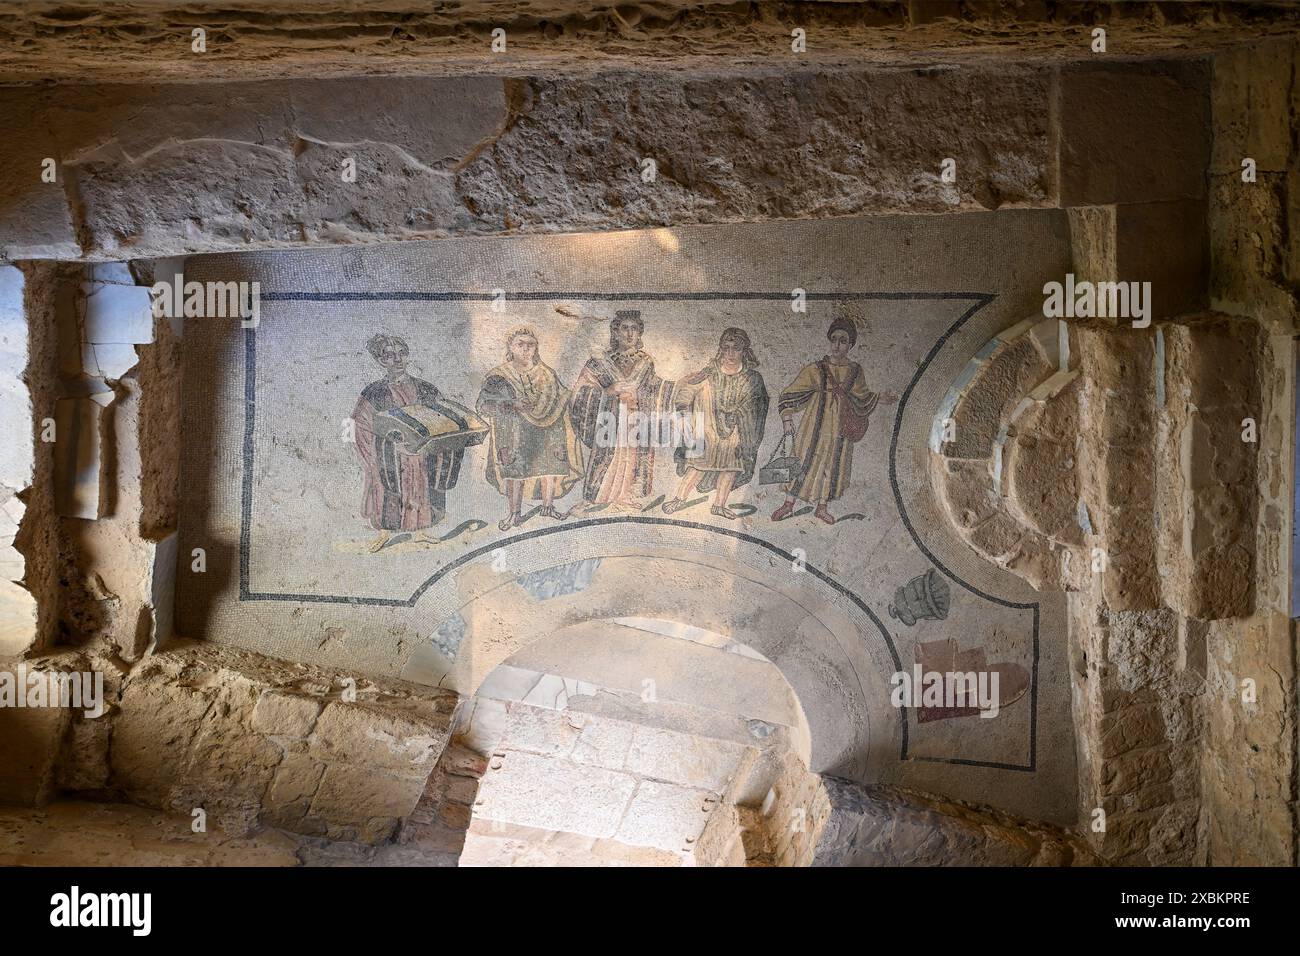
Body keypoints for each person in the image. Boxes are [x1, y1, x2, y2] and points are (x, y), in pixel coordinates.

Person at [351, 334, 468, 552]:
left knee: (420, 490)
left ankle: (420, 531)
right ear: (379, 360)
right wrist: (381, 453)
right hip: (390, 456)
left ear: (407, 356)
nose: (396, 360)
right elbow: (362, 426)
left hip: (421, 456)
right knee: (387, 492)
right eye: (388, 355)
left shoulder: (426, 388)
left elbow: (441, 420)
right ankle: (384, 534)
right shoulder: (374, 392)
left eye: (401, 354)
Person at [770, 316, 878, 525]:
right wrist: (787, 417)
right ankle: (788, 503)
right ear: (830, 340)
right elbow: (791, 392)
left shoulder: (855, 371)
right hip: (814, 426)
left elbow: (862, 397)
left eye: (843, 341)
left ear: (851, 344)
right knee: (804, 459)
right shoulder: (817, 368)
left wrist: (879, 399)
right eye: (835, 339)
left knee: (833, 464)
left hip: (840, 428)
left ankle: (822, 507)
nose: (837, 345)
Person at [476, 327, 583, 531]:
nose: (526, 349)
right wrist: (510, 405)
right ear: (510, 347)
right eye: (520, 344)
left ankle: (548, 507)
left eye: (530, 345)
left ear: (536, 348)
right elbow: (483, 405)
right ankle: (514, 514)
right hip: (514, 430)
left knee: (549, 467)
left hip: (548, 430)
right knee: (516, 471)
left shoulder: (546, 374)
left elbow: (562, 398)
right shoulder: (500, 375)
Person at [568, 310, 674, 510]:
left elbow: (654, 389)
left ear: (639, 333)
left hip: (635, 419)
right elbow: (580, 392)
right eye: (625, 328)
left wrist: (674, 390)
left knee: (632, 457)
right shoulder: (600, 361)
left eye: (634, 329)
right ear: (615, 332)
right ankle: (600, 496)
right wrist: (608, 391)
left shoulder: (646, 361)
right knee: (609, 455)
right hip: (610, 419)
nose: (630, 334)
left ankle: (625, 495)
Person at [662, 327, 769, 520]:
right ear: (720, 349)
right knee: (697, 466)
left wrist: (745, 422)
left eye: (735, 348)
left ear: (744, 350)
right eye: (726, 347)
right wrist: (683, 413)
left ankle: (719, 505)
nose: (730, 353)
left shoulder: (752, 378)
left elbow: (759, 404)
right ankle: (679, 499)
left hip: (735, 432)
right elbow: (687, 391)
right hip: (708, 430)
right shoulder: (709, 373)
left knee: (730, 468)